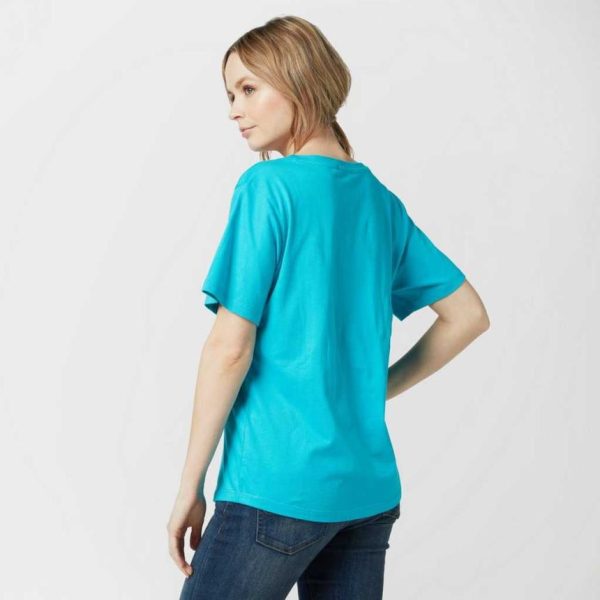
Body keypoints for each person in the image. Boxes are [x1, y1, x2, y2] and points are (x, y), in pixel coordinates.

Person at [167, 15, 490, 600]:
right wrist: (373, 390)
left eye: (248, 89)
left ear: (300, 81)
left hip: (275, 487)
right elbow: (467, 315)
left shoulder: (268, 188)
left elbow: (230, 348)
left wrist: (190, 485)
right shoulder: (379, 202)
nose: (234, 110)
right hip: (366, 493)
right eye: (230, 95)